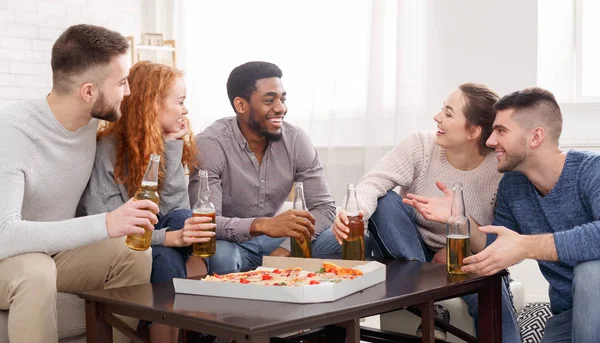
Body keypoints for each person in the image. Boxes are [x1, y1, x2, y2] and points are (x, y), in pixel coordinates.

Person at [0, 24, 157, 343]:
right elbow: (4, 234)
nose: (127, 92)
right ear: (88, 91)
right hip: (9, 257)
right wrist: (107, 222)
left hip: (57, 253)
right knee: (36, 270)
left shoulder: (92, 121)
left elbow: (145, 119)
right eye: (122, 83)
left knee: (135, 252)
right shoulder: (14, 132)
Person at [331, 83, 520, 341]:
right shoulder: (420, 145)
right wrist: (354, 214)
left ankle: (428, 292)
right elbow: (373, 183)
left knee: (492, 291)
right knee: (384, 199)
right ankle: (427, 292)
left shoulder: (499, 169)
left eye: (449, 113)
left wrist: (459, 227)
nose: (437, 117)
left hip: (463, 255)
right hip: (410, 251)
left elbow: (500, 241)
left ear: (473, 131)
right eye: (442, 109)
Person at [78, 61, 216, 343]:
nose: (185, 110)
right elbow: (110, 229)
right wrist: (169, 239)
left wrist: (172, 148)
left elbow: (174, 210)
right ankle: (191, 320)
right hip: (113, 246)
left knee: (180, 221)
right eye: (180, 102)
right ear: (152, 104)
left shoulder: (163, 143)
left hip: (156, 241)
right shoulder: (106, 149)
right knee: (169, 247)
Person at [459, 87, 600, 342]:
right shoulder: (513, 185)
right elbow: (503, 247)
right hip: (567, 316)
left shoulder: (592, 171)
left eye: (501, 131)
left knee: (591, 271)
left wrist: (527, 246)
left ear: (535, 137)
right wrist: (460, 219)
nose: (491, 141)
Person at [188, 61, 338, 274]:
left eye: (282, 99)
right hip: (232, 243)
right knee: (220, 257)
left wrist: (284, 249)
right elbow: (207, 223)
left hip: (276, 241)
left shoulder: (296, 140)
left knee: (351, 241)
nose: (281, 108)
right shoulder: (211, 144)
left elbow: (324, 208)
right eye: (269, 100)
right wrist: (261, 225)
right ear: (240, 105)